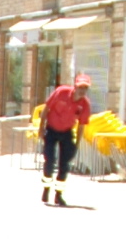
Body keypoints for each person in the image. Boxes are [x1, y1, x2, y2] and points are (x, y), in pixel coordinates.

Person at [41, 73, 92, 206]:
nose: (82, 91)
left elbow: (81, 125)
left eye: (85, 88)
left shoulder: (84, 104)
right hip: (52, 129)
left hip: (66, 132)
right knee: (50, 160)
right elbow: (46, 108)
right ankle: (46, 188)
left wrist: (76, 144)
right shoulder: (61, 92)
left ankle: (59, 194)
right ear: (75, 86)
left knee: (64, 164)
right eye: (80, 87)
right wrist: (41, 128)